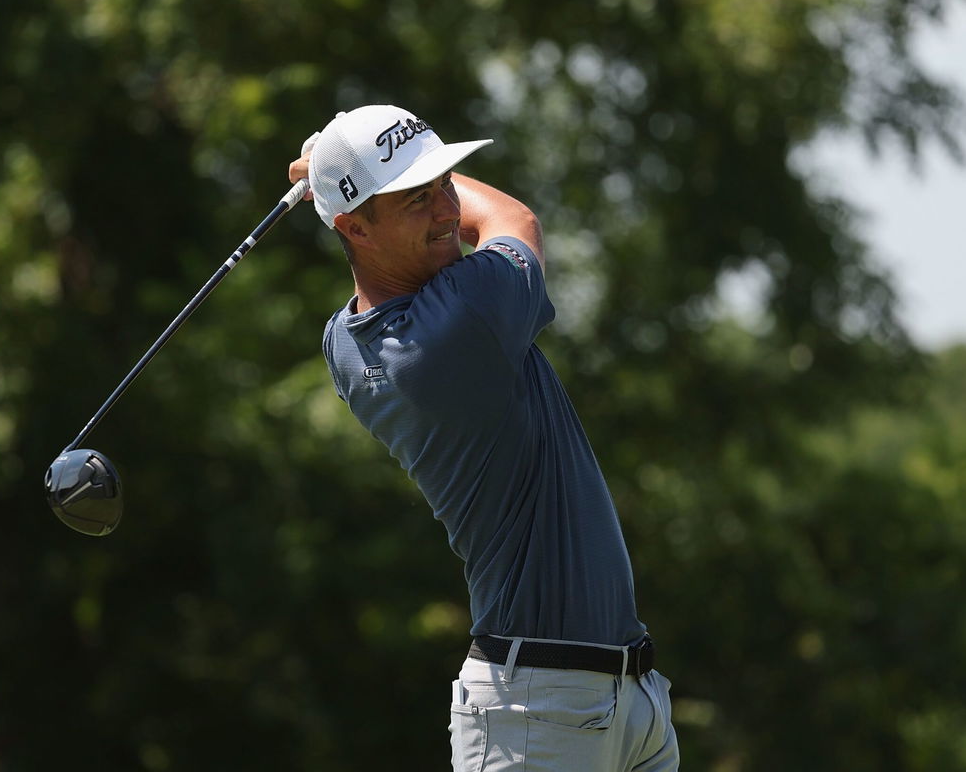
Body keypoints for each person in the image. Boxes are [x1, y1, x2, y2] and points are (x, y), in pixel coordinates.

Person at [288, 104, 679, 772]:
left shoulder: (344, 344)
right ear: (356, 227)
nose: (445, 208)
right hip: (540, 714)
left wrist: (336, 181)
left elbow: (413, 224)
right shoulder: (463, 322)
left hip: (616, 698)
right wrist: (325, 172)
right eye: (417, 198)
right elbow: (510, 220)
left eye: (446, 181)